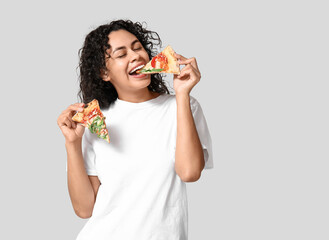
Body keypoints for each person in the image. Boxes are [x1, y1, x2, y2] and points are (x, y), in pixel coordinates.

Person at [57, 19, 213, 240]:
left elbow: (189, 172)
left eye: (138, 47)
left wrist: (182, 94)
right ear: (104, 73)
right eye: (121, 55)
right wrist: (72, 143)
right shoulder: (96, 120)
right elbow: (84, 210)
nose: (135, 56)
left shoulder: (182, 106)